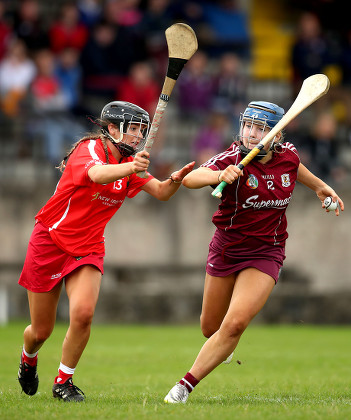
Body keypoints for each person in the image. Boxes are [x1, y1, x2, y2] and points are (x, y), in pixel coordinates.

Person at [164, 101, 344, 403]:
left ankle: (183, 387)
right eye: (248, 125)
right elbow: (191, 179)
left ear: (276, 135)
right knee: (211, 328)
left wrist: (319, 186)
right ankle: (223, 344)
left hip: (266, 252)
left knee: (234, 325)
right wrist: (218, 176)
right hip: (226, 250)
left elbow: (294, 168)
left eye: (260, 128)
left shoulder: (288, 155)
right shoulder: (232, 158)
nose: (250, 133)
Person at [17, 100, 195, 402]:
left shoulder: (130, 164)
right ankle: (28, 358)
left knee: (84, 314)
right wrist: (131, 166)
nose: (138, 137)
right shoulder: (89, 150)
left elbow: (162, 192)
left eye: (142, 130)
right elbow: (97, 175)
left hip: (87, 248)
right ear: (112, 129)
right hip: (49, 241)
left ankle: (64, 382)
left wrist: (175, 180)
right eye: (133, 130)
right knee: (40, 332)